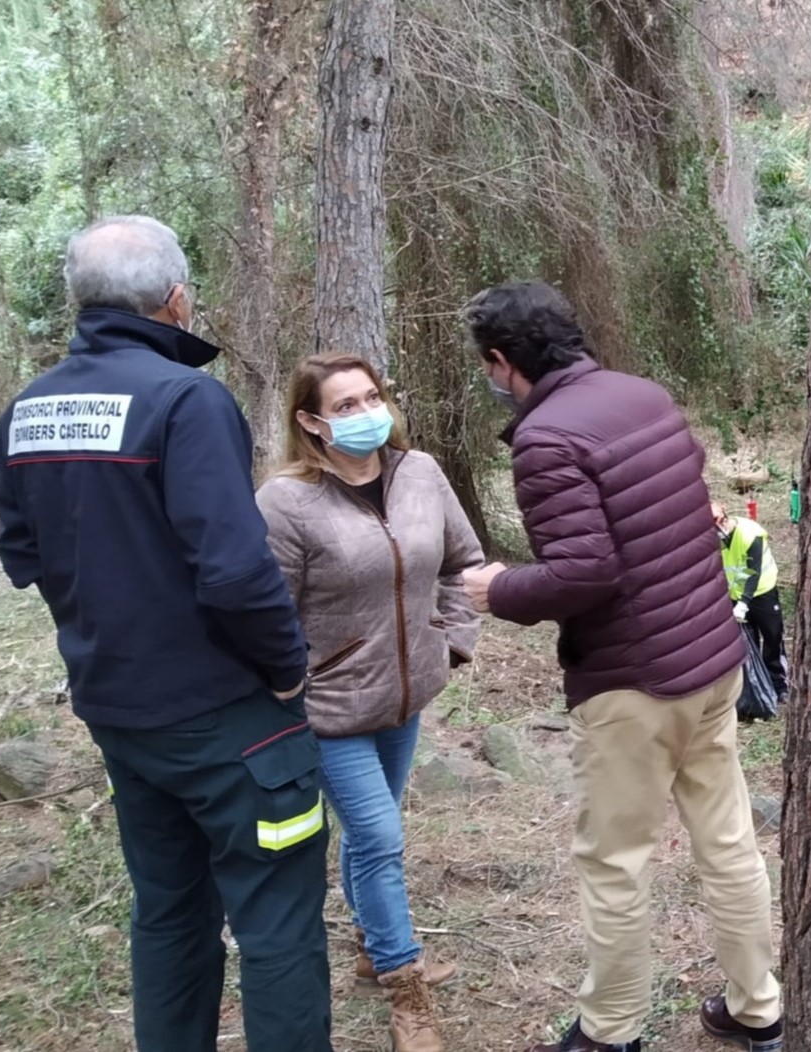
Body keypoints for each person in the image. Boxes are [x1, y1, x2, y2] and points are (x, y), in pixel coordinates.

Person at [0, 216, 329, 1052]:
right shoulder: (186, 399)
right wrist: (288, 671)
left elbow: (23, 554)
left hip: (120, 716)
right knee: (278, 919)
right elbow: (235, 570)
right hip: (230, 720)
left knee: (169, 913)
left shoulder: (27, 411)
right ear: (176, 300)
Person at [454, 281, 784, 1052]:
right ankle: (759, 1008)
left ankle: (609, 1033)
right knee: (728, 839)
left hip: (633, 682)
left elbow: (583, 573)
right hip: (710, 656)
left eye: (489, 366)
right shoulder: (642, 395)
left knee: (615, 861)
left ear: (502, 362)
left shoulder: (545, 441)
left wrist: (498, 589)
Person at [256, 355, 485, 1052]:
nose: (365, 414)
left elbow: (461, 562)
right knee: (382, 839)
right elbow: (267, 612)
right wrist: (295, 683)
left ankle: (369, 942)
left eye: (371, 397)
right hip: (329, 708)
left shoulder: (419, 472)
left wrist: (447, 643)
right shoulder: (285, 502)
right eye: (346, 405)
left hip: (408, 695)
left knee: (368, 833)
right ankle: (403, 983)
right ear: (311, 422)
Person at [712, 501, 789, 697]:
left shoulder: (750, 534)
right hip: (735, 595)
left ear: (724, 517)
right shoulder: (713, 540)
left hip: (762, 593)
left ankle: (778, 685)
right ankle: (754, 689)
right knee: (746, 642)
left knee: (773, 637)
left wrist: (744, 603)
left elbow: (753, 572)